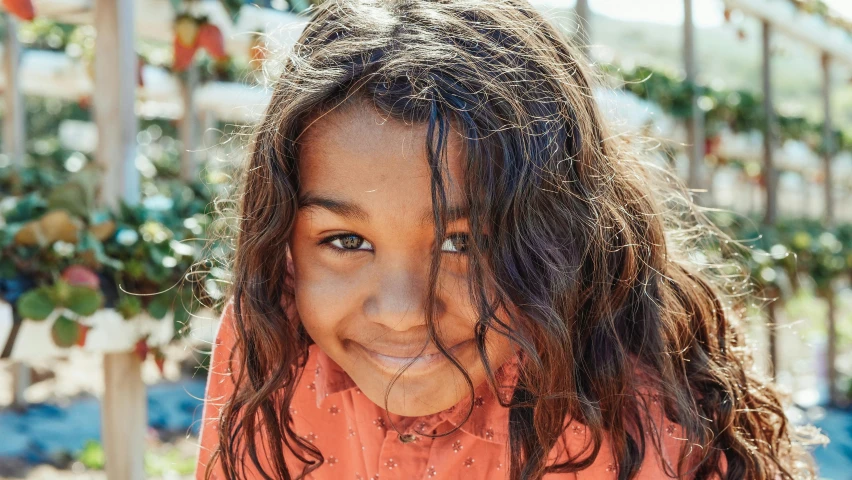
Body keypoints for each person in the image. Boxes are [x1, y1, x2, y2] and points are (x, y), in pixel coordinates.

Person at [196, 0, 819, 478]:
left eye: (464, 245)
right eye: (346, 241)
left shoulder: (626, 416)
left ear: (562, 236)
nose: (403, 311)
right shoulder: (271, 342)